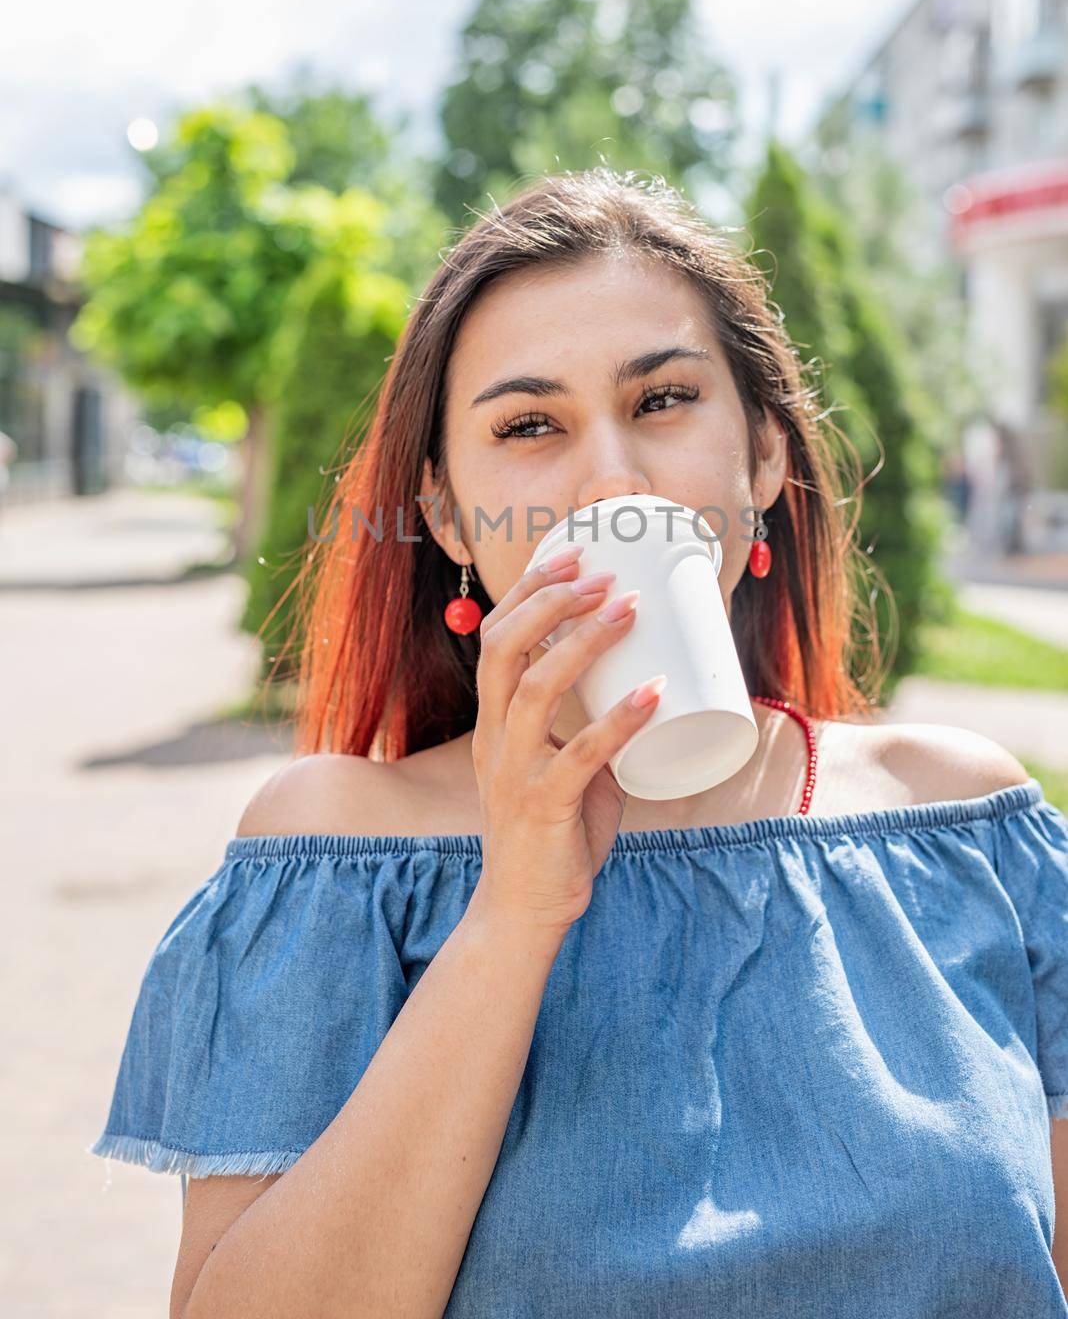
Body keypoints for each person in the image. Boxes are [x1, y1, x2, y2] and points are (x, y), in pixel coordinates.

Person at [87, 170, 1068, 1317]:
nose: (611, 478)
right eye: (530, 426)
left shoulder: (969, 829)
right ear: (449, 514)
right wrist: (514, 912)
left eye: (662, 402)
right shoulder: (332, 853)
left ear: (760, 460)